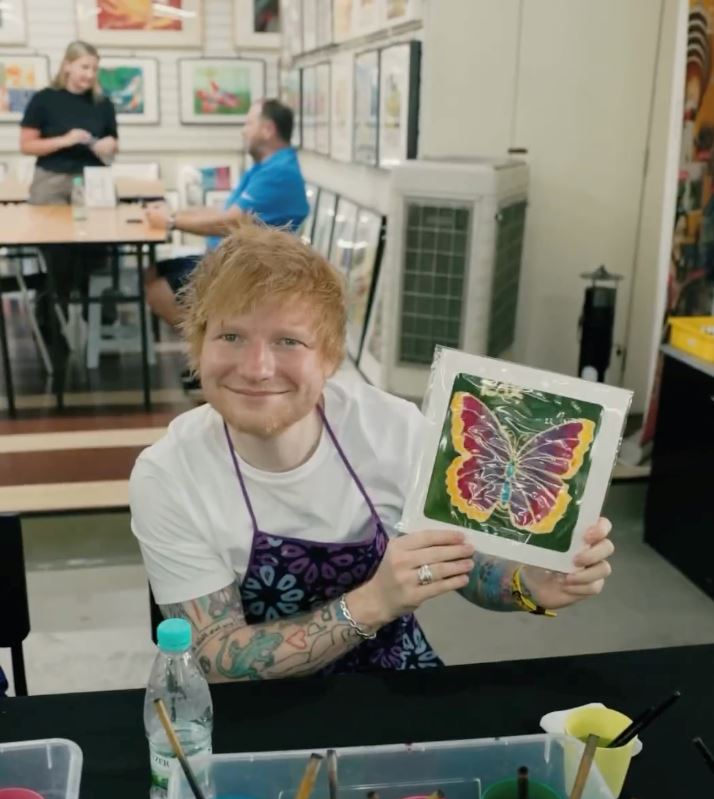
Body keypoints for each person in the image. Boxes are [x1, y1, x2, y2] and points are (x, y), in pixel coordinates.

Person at [129, 219, 614, 682]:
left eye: (288, 341)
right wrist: (372, 603)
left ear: (331, 358)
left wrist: (527, 584)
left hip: (393, 681)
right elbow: (215, 655)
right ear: (198, 345)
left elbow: (464, 564)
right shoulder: (169, 474)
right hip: (256, 709)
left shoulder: (390, 430)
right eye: (231, 336)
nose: (257, 368)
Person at [143, 99, 309, 332]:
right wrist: (174, 214)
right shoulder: (265, 167)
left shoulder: (278, 172)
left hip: (246, 270)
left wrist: (171, 222)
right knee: (153, 272)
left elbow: (231, 222)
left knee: (159, 291)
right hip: (226, 259)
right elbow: (227, 211)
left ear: (267, 130)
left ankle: (208, 357)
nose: (243, 130)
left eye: (249, 123)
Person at [20, 40, 118, 204]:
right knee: (47, 228)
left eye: (94, 69)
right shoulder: (43, 99)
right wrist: (66, 140)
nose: (90, 75)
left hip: (94, 180)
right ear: (67, 66)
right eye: (85, 67)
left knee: (98, 226)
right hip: (51, 180)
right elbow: (26, 146)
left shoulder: (103, 103)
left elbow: (114, 143)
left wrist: (110, 145)